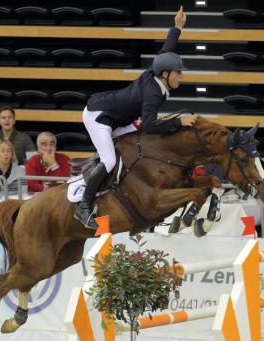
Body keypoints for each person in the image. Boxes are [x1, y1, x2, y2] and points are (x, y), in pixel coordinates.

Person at [75, 6, 198, 229]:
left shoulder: (158, 72)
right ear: (166, 74)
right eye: (179, 72)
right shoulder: (153, 93)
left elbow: (166, 50)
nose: (182, 76)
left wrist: (177, 27)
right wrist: (178, 122)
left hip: (118, 119)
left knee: (139, 144)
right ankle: (83, 207)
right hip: (99, 116)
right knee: (110, 160)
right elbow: (150, 125)